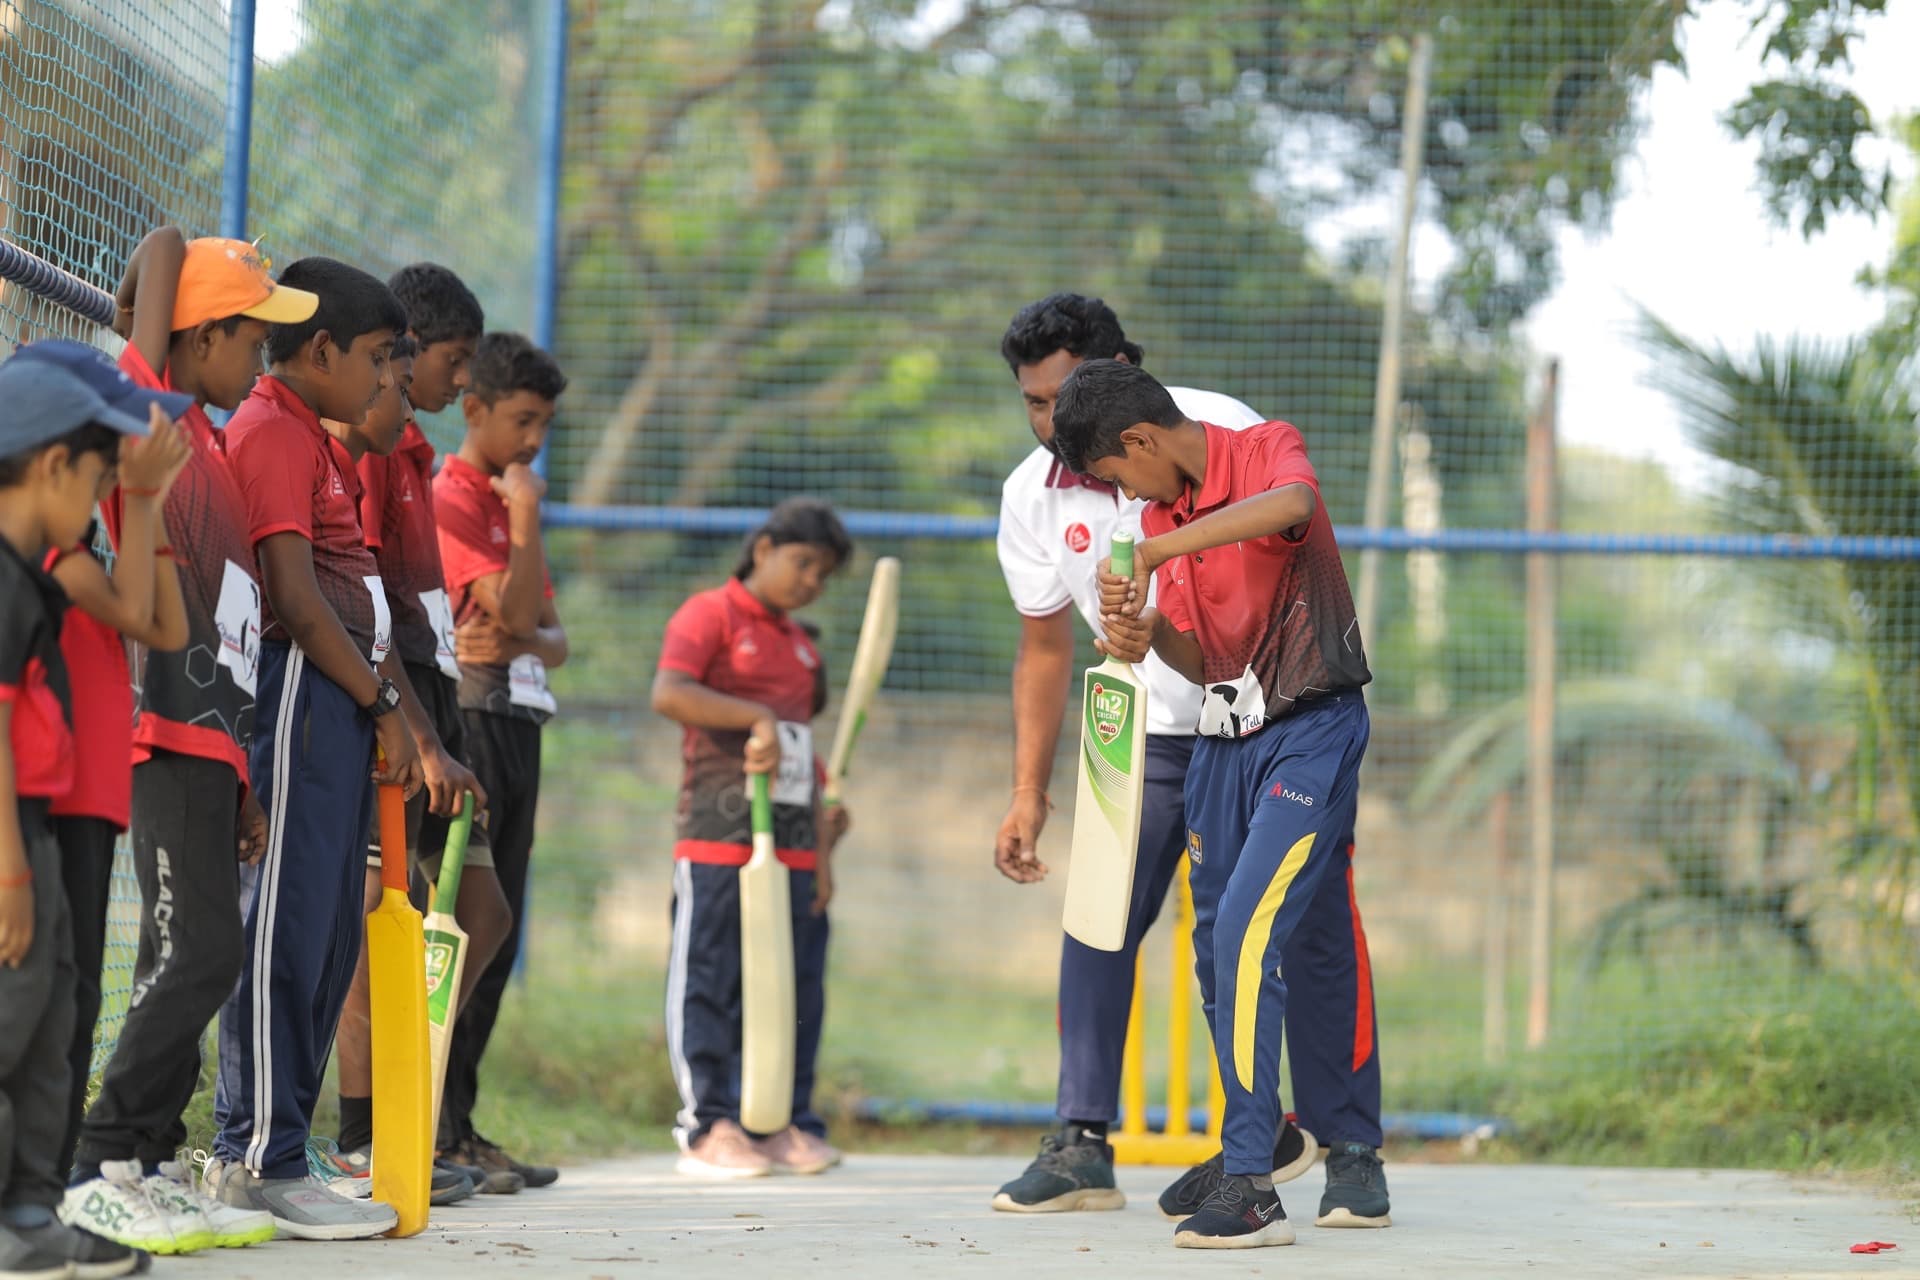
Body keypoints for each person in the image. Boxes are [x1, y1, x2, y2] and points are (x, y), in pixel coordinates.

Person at [988, 295, 1382, 1226]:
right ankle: (1097, 1139)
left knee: (1298, 929)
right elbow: (1057, 648)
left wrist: (1159, 550)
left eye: (1062, 398)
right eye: (1032, 404)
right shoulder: (1045, 490)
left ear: (1121, 378)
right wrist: (1030, 787)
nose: (1045, 422)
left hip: (1278, 724)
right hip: (1155, 733)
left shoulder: (1222, 442)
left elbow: (1291, 513)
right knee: (1120, 925)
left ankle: (1343, 1145)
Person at [63, 229, 309, 1255]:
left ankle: (150, 1158)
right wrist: (184, 290)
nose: (261, 360)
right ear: (199, 336)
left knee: (193, 956)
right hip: (160, 732)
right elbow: (162, 245)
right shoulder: (153, 407)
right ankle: (97, 1162)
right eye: (251, 337)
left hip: (216, 741)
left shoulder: (211, 445)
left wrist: (247, 771)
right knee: (199, 951)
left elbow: (233, 639)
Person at [207, 256, 423, 1241]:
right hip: (299, 691)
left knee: (330, 934)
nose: (384, 380)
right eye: (377, 358)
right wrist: (382, 700)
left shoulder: (316, 439)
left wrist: (374, 705)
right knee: (285, 928)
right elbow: (293, 597)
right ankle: (256, 1154)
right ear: (323, 349)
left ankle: (288, 1145)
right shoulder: (269, 431)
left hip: (338, 706)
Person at [0, 344, 188, 1280]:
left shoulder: (38, 565)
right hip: (24, 827)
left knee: (57, 1014)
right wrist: (10, 867)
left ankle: (32, 1210)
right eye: (100, 472)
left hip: (50, 811)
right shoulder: (17, 571)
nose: (108, 489)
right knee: (19, 1017)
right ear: (52, 465)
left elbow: (163, 626)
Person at [313, 335, 481, 1208]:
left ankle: (417, 1121)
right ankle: (358, 1135)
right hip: (381, 705)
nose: (458, 379)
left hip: (423, 695)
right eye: (449, 362)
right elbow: (355, 603)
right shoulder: (357, 454)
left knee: (465, 913)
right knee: (365, 924)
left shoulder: (405, 449)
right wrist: (408, 727)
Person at [649, 497, 853, 1178]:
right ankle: (708, 1125)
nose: (811, 581)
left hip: (793, 846)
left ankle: (778, 1120)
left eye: (823, 574)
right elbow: (669, 692)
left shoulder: (802, 647)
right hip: (719, 838)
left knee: (793, 988)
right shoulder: (710, 614)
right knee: (712, 979)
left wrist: (823, 849)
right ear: (763, 549)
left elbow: (801, 744)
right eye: (803, 563)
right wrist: (753, 716)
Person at [432, 332, 569, 1191]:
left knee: (501, 929)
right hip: (473, 721)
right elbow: (520, 614)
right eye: (522, 421)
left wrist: (524, 628)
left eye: (545, 425)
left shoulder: (510, 498)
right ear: (474, 409)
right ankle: (432, 1128)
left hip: (521, 717)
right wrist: (523, 519)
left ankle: (462, 1126)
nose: (533, 442)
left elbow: (551, 638)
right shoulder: (453, 496)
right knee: (469, 924)